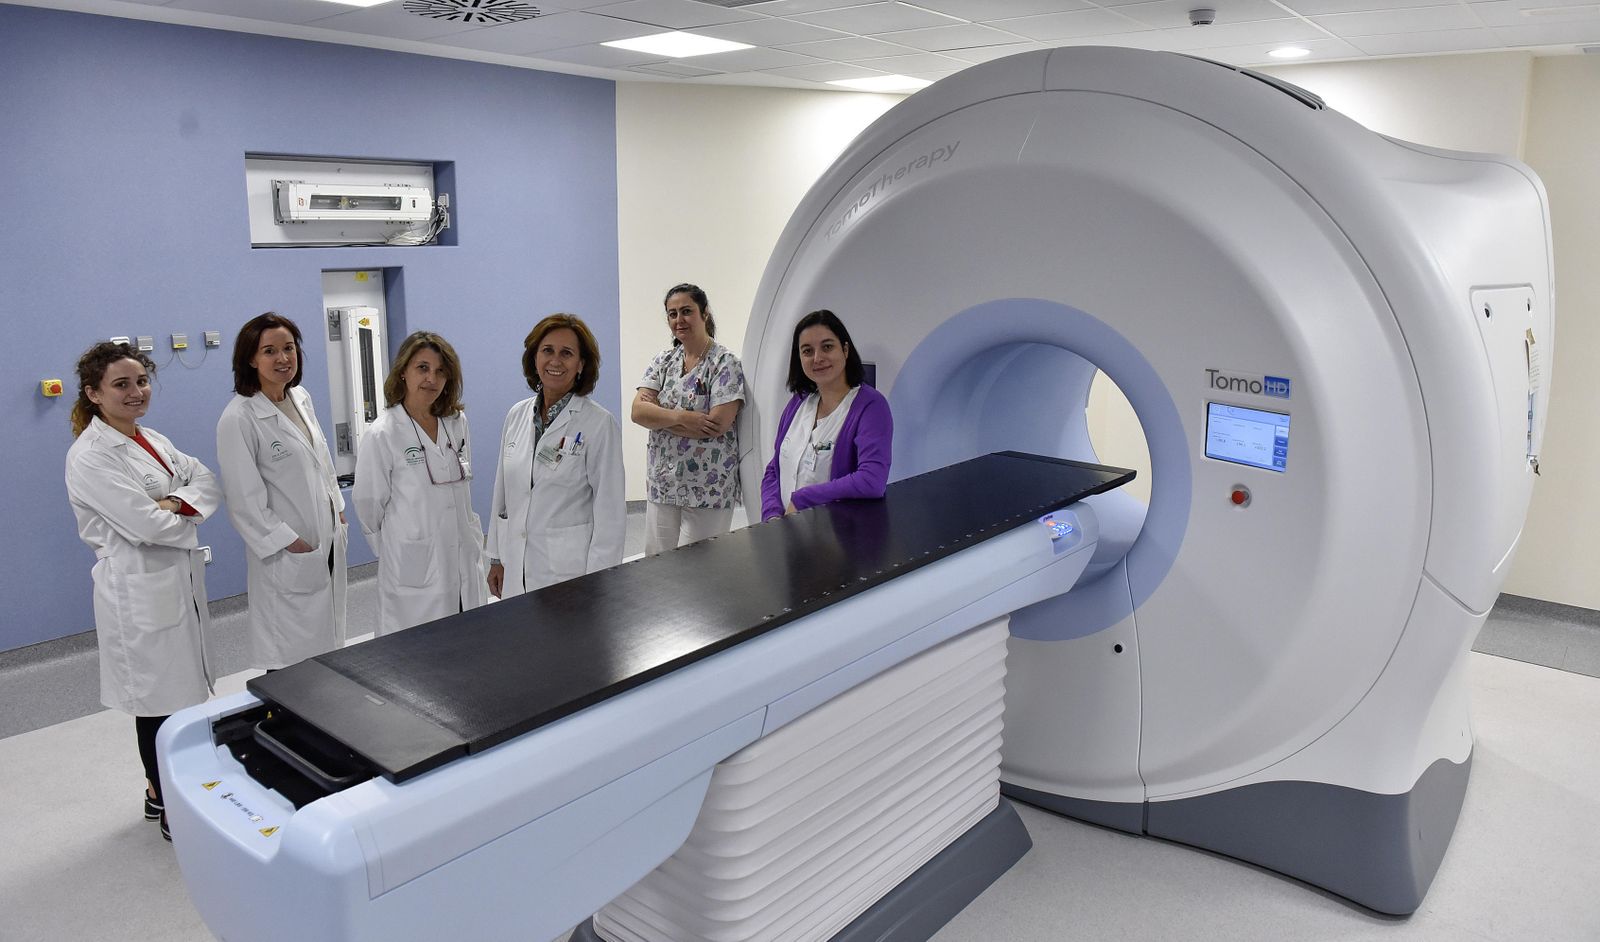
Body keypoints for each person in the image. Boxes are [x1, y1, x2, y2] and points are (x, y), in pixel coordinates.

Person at [64, 341, 222, 842]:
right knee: (157, 703)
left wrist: (171, 502)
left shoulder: (151, 437)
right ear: (93, 394)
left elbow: (208, 482)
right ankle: (170, 803)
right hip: (138, 590)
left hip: (174, 581)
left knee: (184, 696)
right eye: (121, 384)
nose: (136, 392)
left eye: (141, 381)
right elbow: (144, 525)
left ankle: (160, 794)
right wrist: (177, 509)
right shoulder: (89, 456)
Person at [216, 313, 347, 669]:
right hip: (288, 552)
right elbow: (244, 502)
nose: (283, 358)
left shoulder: (300, 397)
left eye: (288, 348)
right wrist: (289, 542)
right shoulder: (239, 417)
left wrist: (337, 505)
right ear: (250, 359)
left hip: (327, 538)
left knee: (325, 648)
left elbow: (321, 459)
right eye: (269, 351)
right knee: (290, 657)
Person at [354, 331, 486, 633]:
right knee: (417, 657)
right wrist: (400, 547)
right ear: (403, 372)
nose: (432, 379)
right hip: (413, 566)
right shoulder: (383, 433)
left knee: (467, 645)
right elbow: (368, 505)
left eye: (441, 371)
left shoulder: (456, 422)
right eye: (422, 368)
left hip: (462, 554)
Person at [488, 314, 625, 598]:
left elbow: (610, 511)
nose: (555, 361)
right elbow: (502, 492)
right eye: (547, 350)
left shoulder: (599, 423)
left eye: (567, 353)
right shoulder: (517, 415)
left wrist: (599, 582)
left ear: (581, 364)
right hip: (516, 563)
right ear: (534, 357)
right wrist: (496, 557)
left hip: (569, 572)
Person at [631, 283, 746, 553]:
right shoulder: (664, 361)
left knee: (699, 576)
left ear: (704, 313)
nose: (679, 320)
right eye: (672, 314)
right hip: (663, 484)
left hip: (708, 487)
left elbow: (716, 425)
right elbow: (638, 412)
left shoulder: (724, 363)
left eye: (686, 311)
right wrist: (685, 417)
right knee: (657, 569)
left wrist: (660, 417)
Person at [761, 309, 893, 520]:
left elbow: (872, 480)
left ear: (845, 350)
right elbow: (773, 469)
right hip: (787, 534)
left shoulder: (870, 406)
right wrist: (772, 516)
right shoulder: (799, 402)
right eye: (807, 351)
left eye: (827, 347)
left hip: (840, 541)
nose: (817, 358)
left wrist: (802, 498)